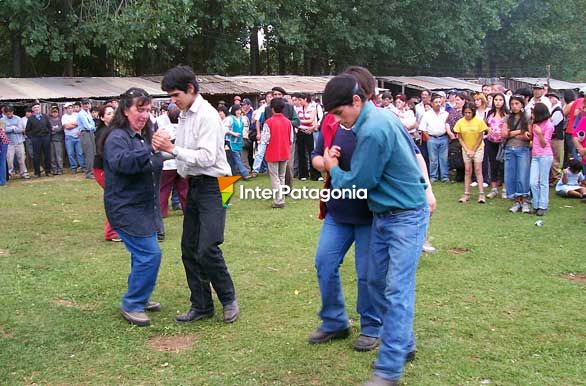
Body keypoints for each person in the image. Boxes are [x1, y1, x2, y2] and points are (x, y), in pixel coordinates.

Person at [321, 74, 430, 386]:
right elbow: (412, 153)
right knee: (377, 283)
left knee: (396, 289)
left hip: (406, 217)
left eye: (340, 114)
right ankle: (404, 343)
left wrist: (333, 169)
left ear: (357, 101)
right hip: (383, 216)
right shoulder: (383, 117)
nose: (339, 122)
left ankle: (388, 371)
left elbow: (358, 183)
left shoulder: (373, 129)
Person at [155, 65, 239, 324]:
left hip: (220, 182)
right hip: (196, 184)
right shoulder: (184, 115)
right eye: (170, 96)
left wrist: (174, 149)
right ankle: (201, 305)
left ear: (191, 89)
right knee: (189, 248)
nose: (173, 100)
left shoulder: (207, 115)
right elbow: (184, 153)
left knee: (208, 247)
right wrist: (161, 148)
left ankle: (228, 299)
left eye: (175, 94)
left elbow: (207, 157)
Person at [103, 88, 164, 326]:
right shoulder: (117, 137)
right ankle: (132, 303)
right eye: (140, 109)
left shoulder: (145, 134)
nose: (145, 115)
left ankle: (141, 295)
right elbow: (122, 163)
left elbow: (156, 162)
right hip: (125, 208)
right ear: (126, 109)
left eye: (148, 110)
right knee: (150, 254)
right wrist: (151, 151)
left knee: (141, 255)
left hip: (145, 206)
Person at [93, 103, 121, 242]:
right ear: (103, 118)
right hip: (103, 169)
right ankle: (111, 232)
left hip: (111, 168)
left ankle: (118, 229)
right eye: (109, 113)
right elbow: (103, 153)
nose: (112, 115)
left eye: (113, 112)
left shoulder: (114, 130)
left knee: (119, 197)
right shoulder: (103, 132)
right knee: (115, 197)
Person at [453, 102, 488, 203]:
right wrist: (467, 149)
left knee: (478, 170)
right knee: (467, 170)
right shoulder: (460, 122)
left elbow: (481, 137)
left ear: (473, 112)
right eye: (465, 112)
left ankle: (481, 194)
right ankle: (466, 193)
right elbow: (459, 137)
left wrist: (473, 150)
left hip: (478, 148)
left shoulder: (479, 122)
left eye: (469, 112)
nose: (467, 115)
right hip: (466, 148)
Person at [502, 95, 532, 213]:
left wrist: (512, 133)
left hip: (523, 149)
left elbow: (529, 135)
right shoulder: (507, 118)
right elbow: (503, 134)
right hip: (510, 148)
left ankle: (524, 200)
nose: (514, 106)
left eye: (517, 104)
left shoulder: (527, 118)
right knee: (510, 176)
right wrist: (520, 131)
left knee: (523, 175)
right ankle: (516, 201)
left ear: (522, 105)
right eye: (512, 104)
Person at [262, 97, 293, 208]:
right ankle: (281, 198)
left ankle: (278, 200)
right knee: (282, 177)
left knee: (275, 177)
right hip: (284, 152)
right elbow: (291, 139)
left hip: (273, 152)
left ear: (272, 108)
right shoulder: (288, 122)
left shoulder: (268, 122)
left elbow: (265, 139)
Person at [158, 106, 188, 218]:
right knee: (184, 189)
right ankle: (187, 209)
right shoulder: (185, 129)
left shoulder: (163, 129)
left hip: (167, 165)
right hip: (181, 163)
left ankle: (161, 212)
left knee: (163, 190)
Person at [419, 94, 452, 182]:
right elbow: (423, 128)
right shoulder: (427, 114)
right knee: (433, 159)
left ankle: (444, 176)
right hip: (432, 138)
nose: (438, 104)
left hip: (443, 138)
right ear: (432, 103)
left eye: (439, 102)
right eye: (436, 102)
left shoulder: (446, 114)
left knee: (443, 158)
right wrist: (429, 138)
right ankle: (433, 176)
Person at [529, 103, 554, 216]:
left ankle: (543, 205)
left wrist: (539, 134)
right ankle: (535, 203)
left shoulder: (549, 125)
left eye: (533, 113)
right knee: (533, 182)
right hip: (535, 156)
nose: (532, 115)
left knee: (543, 181)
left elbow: (544, 143)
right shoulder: (535, 124)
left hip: (545, 155)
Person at [485, 93, 508, 199]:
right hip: (491, 142)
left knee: (503, 166)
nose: (498, 102)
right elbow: (485, 125)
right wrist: (487, 129)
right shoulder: (490, 113)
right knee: (493, 164)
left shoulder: (507, 114)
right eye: (496, 100)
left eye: (500, 100)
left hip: (503, 143)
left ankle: (504, 188)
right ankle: (494, 188)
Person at [1, 105, 29, 179]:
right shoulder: (2, 120)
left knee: (22, 159)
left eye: (10, 113)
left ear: (13, 111)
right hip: (9, 143)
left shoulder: (18, 118)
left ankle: (23, 173)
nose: (9, 114)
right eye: (8, 113)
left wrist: (12, 129)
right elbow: (3, 130)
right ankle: (9, 174)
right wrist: (12, 128)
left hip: (19, 142)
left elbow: (21, 129)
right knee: (9, 160)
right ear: (5, 113)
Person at [25, 102, 52, 178]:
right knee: (36, 156)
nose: (37, 109)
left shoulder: (45, 116)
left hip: (45, 138)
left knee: (47, 155)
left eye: (38, 107)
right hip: (36, 139)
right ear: (33, 109)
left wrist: (48, 136)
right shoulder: (30, 118)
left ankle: (48, 171)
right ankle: (37, 172)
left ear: (40, 108)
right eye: (35, 108)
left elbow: (49, 127)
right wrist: (32, 138)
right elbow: (27, 131)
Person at [225, 105, 251, 179]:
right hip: (230, 140)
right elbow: (224, 129)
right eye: (237, 110)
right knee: (236, 157)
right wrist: (233, 133)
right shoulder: (230, 119)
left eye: (239, 110)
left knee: (232, 158)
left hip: (238, 141)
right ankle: (245, 173)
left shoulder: (241, 119)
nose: (239, 112)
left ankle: (232, 173)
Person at [547, 93, 565, 183]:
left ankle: (557, 178)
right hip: (553, 137)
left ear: (556, 99)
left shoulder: (557, 110)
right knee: (552, 158)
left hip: (556, 138)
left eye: (551, 97)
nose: (549, 99)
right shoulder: (552, 110)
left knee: (555, 159)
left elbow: (552, 124)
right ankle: (553, 177)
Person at [62, 102, 84, 174]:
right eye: (68, 108)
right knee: (70, 153)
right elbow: (67, 127)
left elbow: (80, 123)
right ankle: (73, 168)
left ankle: (82, 167)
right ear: (66, 109)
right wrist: (75, 124)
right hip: (69, 137)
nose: (70, 109)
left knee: (80, 153)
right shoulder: (64, 117)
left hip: (78, 136)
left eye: (71, 107)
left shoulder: (77, 115)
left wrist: (73, 124)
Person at [78, 98, 96, 179]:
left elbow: (92, 123)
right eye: (85, 104)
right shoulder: (81, 114)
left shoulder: (88, 112)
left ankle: (92, 171)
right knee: (89, 153)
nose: (86, 105)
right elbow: (87, 125)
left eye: (87, 103)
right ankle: (89, 173)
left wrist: (92, 128)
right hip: (85, 133)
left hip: (90, 133)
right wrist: (93, 128)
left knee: (93, 152)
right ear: (81, 105)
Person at [48, 104, 65, 175]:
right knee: (52, 156)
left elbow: (61, 128)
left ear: (58, 112)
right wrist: (54, 130)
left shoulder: (61, 119)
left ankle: (60, 169)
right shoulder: (49, 120)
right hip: (51, 140)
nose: (54, 113)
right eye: (53, 112)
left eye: (56, 112)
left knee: (59, 156)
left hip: (58, 140)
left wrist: (54, 130)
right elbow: (48, 129)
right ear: (51, 113)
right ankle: (54, 169)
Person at [0, 120, 8, 186]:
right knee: (2, 162)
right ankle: (3, 181)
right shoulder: (2, 121)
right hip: (4, 143)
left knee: (2, 162)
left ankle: (2, 181)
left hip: (2, 143)